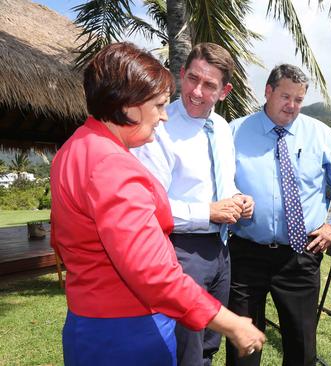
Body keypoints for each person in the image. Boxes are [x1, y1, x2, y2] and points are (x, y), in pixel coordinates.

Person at [50, 42, 264, 365]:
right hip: (126, 330)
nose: (165, 116)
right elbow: (152, 274)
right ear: (130, 105)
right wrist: (231, 323)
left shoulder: (74, 148)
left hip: (91, 320)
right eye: (159, 105)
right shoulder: (112, 166)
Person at [226, 64, 331, 366]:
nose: (292, 106)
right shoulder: (235, 131)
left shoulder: (319, 133)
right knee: (242, 347)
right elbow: (219, 182)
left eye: (298, 100)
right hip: (246, 255)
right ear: (268, 91)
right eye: (285, 97)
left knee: (302, 350)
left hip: (301, 256)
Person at [132, 43, 254, 366]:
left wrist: (239, 199)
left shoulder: (224, 129)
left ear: (225, 91)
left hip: (221, 252)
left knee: (208, 347)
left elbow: (222, 185)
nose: (196, 91)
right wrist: (209, 212)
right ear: (181, 74)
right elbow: (149, 206)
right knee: (185, 350)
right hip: (180, 251)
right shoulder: (159, 127)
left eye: (209, 85)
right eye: (192, 79)